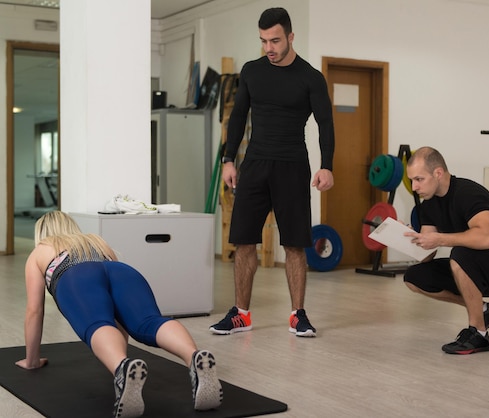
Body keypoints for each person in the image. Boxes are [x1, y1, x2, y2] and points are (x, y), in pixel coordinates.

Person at [16, 211, 222, 418]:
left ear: (42, 232)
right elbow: (117, 311)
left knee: (98, 323)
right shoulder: (94, 241)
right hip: (122, 271)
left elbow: (35, 310)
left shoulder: (40, 251)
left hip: (75, 275)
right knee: (150, 322)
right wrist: (121, 350)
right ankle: (193, 357)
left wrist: (31, 361)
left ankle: (122, 369)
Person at [210, 7, 335, 338]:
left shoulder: (310, 77)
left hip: (293, 165)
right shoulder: (252, 71)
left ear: (291, 37)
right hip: (254, 164)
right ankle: (241, 314)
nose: (269, 47)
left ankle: (298, 314)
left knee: (294, 243)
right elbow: (238, 117)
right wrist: (227, 159)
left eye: (275, 40)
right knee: (243, 240)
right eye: (264, 40)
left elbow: (325, 123)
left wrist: (327, 165)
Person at [403, 147, 489, 354]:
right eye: (412, 181)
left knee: (460, 255)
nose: (414, 187)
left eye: (419, 179)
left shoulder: (467, 193)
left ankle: (478, 334)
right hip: (476, 265)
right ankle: (483, 310)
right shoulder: (428, 206)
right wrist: (412, 239)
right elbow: (426, 257)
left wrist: (441, 239)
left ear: (438, 173)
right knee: (415, 276)